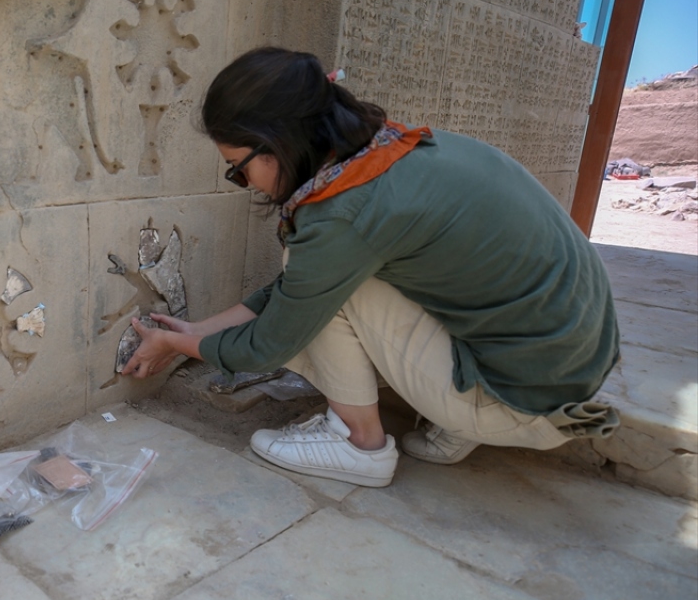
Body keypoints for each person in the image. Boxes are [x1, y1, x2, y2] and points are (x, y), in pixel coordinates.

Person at [122, 47, 620, 488]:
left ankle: (361, 446)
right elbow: (300, 289)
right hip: (570, 368)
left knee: (326, 278)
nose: (245, 182)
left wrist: (177, 344)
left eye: (239, 168)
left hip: (528, 399)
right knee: (330, 275)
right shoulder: (394, 154)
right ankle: (464, 414)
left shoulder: (342, 211)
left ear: (277, 144)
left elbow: (274, 340)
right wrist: (195, 330)